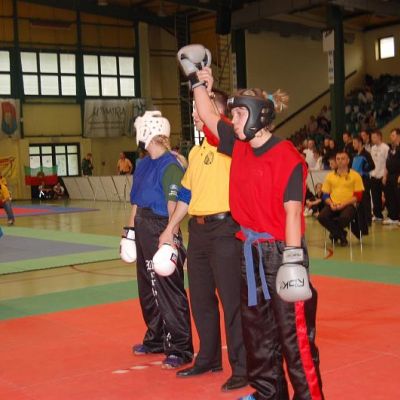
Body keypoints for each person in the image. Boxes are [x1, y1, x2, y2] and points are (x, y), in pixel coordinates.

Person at [180, 46, 324, 400]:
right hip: (250, 251)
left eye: (240, 113)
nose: (234, 120)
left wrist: (293, 261)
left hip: (282, 252)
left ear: (259, 115)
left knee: (294, 336)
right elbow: (208, 116)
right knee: (257, 331)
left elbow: (293, 212)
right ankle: (267, 393)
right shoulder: (239, 145)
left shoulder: (286, 156)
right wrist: (197, 81)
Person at [159, 90, 247, 392]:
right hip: (198, 232)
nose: (195, 115)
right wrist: (170, 228)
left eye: (201, 111)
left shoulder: (231, 146)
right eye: (195, 110)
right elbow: (186, 194)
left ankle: (242, 367)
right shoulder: (196, 154)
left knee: (232, 301)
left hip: (225, 230)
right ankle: (208, 358)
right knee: (200, 298)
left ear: (217, 114)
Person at [121, 111, 193, 369]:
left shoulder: (170, 165)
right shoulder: (142, 164)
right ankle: (156, 339)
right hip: (143, 224)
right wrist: (129, 233)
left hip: (162, 226)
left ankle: (181, 348)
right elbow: (136, 202)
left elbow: (174, 204)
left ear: (148, 132)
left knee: (167, 289)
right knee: (147, 287)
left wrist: (170, 236)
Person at [318, 152, 364, 246]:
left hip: (349, 205)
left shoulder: (355, 175)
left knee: (344, 218)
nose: (340, 161)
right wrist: (331, 203)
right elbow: (325, 195)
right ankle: (341, 234)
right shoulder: (330, 175)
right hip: (333, 204)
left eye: (343, 158)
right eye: (338, 159)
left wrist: (343, 204)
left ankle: (335, 233)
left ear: (348, 161)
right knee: (321, 217)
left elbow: (358, 196)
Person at [352, 136, 375, 230]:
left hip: (364, 180)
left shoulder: (366, 154)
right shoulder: (355, 155)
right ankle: (361, 219)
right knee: (359, 201)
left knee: (365, 200)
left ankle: (368, 220)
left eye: (354, 143)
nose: (353, 145)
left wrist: (363, 170)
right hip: (357, 181)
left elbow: (372, 165)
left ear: (360, 143)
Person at [370, 130, 389, 222]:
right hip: (374, 175)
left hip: (382, 175)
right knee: (375, 196)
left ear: (379, 137)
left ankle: (391, 215)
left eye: (374, 137)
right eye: (372, 137)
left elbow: (387, 163)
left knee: (388, 196)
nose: (372, 139)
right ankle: (378, 215)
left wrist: (385, 176)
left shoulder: (385, 148)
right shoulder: (373, 148)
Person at [382, 128, 400, 225]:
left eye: (393, 135)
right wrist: (385, 176)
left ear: (398, 136)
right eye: (391, 136)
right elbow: (387, 163)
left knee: (398, 196)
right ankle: (393, 217)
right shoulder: (391, 149)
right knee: (390, 197)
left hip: (398, 176)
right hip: (390, 176)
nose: (391, 137)